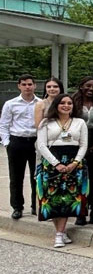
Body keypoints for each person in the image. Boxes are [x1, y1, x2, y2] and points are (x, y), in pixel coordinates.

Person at [34, 93, 89, 247]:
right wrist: (56, 163)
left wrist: (75, 162)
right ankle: (61, 231)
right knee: (52, 199)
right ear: (56, 105)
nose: (66, 106)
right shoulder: (46, 122)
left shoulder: (79, 122)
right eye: (62, 103)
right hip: (52, 163)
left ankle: (59, 233)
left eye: (69, 103)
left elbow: (83, 144)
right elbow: (41, 145)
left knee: (68, 199)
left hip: (74, 164)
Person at [2, 74, 40, 219]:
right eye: (24, 84)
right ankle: (17, 207)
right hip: (17, 141)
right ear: (19, 86)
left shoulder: (40, 103)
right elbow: (4, 124)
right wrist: (7, 143)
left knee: (36, 176)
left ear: (35, 85)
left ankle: (35, 206)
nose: (27, 87)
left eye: (30, 84)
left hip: (35, 142)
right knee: (16, 177)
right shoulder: (11, 104)